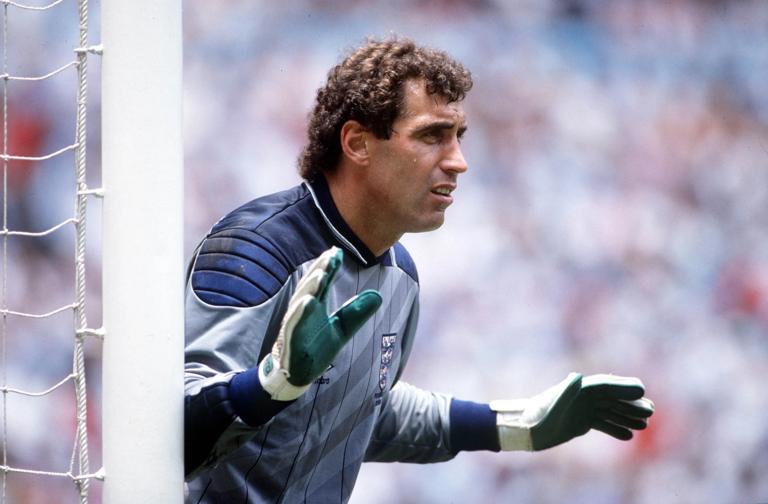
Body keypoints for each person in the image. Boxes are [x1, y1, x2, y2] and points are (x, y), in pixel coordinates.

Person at [184, 37, 655, 503]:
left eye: (457, 137)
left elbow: (359, 414)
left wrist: (517, 426)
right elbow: (169, 435)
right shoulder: (254, 250)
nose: (459, 162)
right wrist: (274, 384)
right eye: (432, 136)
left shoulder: (399, 274)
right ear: (357, 143)